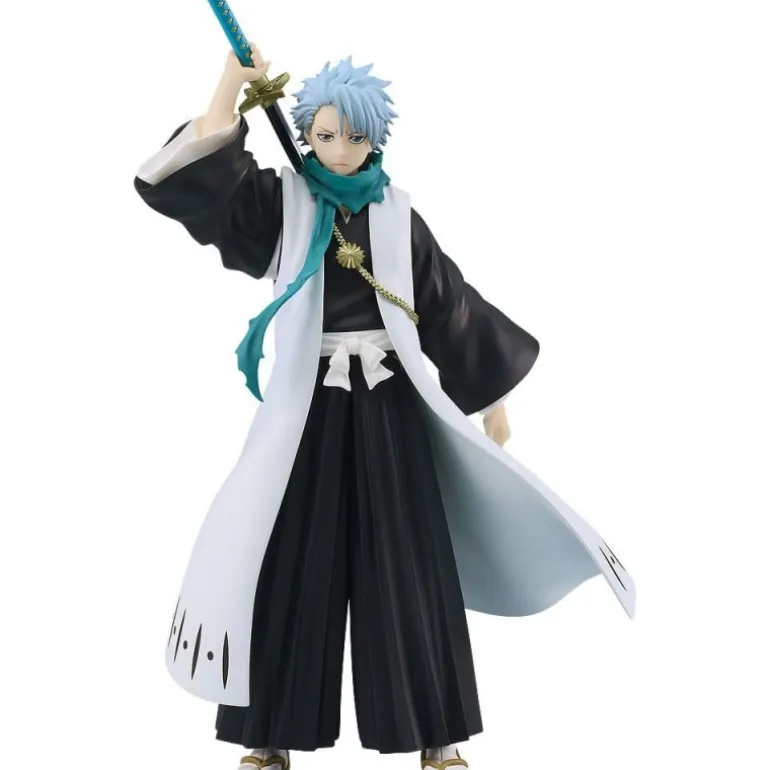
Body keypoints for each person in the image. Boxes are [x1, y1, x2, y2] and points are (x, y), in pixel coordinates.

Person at [135, 45, 634, 770]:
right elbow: (213, 191)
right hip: (307, 410)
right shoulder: (284, 205)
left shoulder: (398, 217)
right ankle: (267, 736)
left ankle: (436, 734)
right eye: (325, 135)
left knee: (409, 564)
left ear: (376, 138)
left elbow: (450, 306)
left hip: (390, 406)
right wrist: (228, 87)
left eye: (354, 135)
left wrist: (492, 400)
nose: (339, 149)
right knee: (288, 560)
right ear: (307, 135)